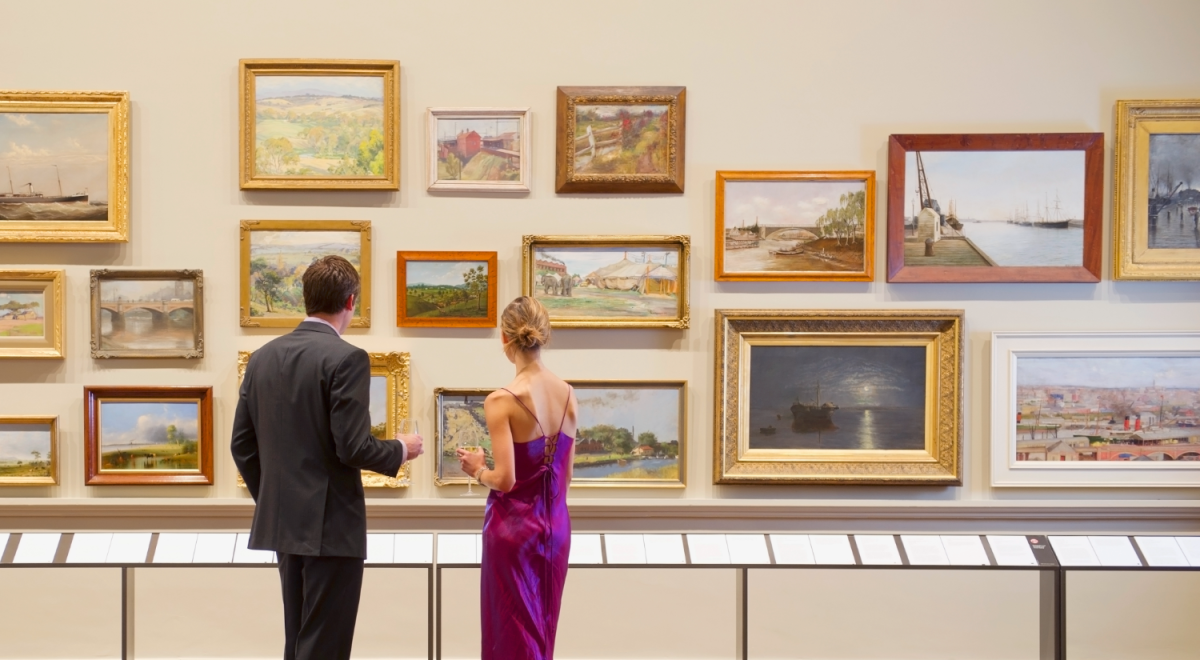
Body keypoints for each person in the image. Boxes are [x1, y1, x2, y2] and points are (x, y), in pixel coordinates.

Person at [231, 255, 423, 660]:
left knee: (299, 641)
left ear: (306, 298)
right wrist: (402, 449)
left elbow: (242, 446)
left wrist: (277, 500)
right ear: (350, 301)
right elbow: (353, 447)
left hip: (284, 526)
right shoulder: (347, 358)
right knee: (324, 647)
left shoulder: (262, 357)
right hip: (332, 527)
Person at [457, 296, 576, 660]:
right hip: (556, 527)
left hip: (513, 531)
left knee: (510, 628)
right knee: (543, 625)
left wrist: (477, 468)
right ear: (545, 336)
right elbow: (565, 479)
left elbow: (505, 479)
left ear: (504, 340)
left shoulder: (502, 400)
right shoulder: (568, 393)